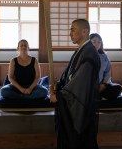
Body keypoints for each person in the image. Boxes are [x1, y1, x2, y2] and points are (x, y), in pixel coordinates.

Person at [50, 19, 100, 148]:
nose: (70, 33)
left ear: (84, 31)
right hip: (75, 100)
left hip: (81, 106)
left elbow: (80, 83)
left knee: (79, 141)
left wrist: (60, 96)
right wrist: (59, 85)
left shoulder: (89, 53)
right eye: (70, 30)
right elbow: (69, 75)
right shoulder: (81, 50)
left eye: (73, 29)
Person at [90, 33, 122, 100]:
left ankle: (97, 95)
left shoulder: (104, 56)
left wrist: (104, 84)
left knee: (118, 88)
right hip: (88, 85)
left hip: (102, 85)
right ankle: (96, 96)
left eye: (99, 42)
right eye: (94, 42)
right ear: (88, 43)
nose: (97, 44)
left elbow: (108, 72)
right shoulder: (84, 55)